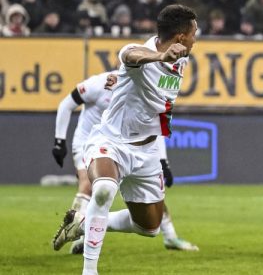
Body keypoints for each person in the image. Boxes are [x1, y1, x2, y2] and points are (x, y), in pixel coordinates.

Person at [50, 4, 198, 275]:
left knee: (149, 227)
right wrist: (158, 56)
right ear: (181, 36)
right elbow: (130, 55)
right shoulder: (140, 53)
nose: (197, 40)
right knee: (103, 189)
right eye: (194, 34)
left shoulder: (182, 60)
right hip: (111, 141)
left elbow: (155, 104)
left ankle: (82, 223)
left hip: (146, 150)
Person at [52, 71, 199, 254]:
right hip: (89, 142)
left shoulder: (140, 92)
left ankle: (170, 237)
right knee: (88, 186)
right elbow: (66, 104)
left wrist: (163, 162)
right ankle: (79, 237)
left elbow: (150, 128)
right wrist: (59, 141)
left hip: (125, 146)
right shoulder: (98, 84)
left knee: (152, 197)